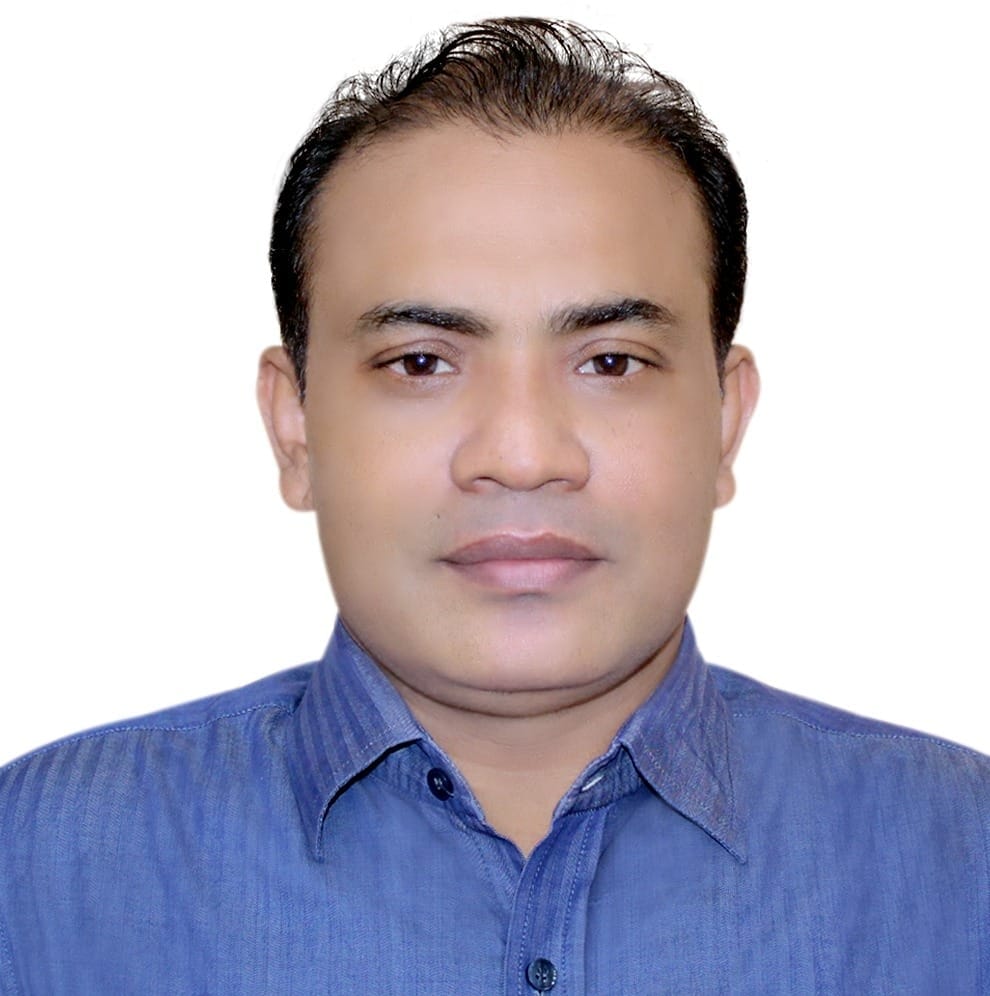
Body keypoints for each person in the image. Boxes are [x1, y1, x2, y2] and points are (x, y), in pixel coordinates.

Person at [1, 16, 986, 994]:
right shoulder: (40, 862)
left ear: (724, 422)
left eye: (611, 362)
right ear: (294, 426)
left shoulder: (961, 855)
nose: (522, 456)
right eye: (420, 363)